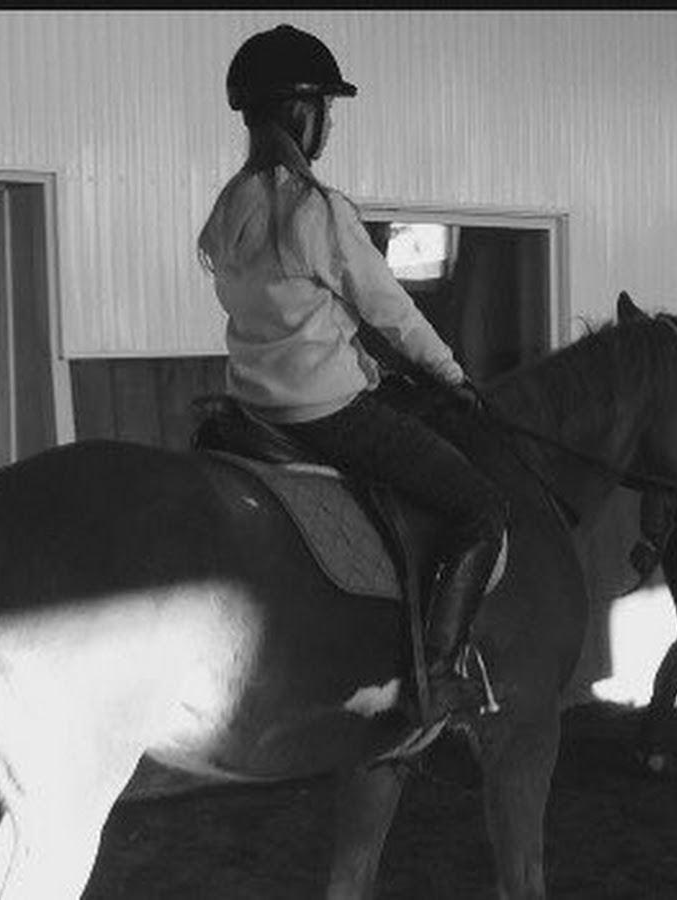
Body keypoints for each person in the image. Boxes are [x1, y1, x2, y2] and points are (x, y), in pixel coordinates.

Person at [197, 23, 507, 727]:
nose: (329, 123)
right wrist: (451, 376)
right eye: (325, 110)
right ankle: (436, 675)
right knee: (479, 509)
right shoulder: (315, 211)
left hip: (252, 412)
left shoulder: (230, 210)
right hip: (329, 413)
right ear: (300, 114)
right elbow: (389, 310)